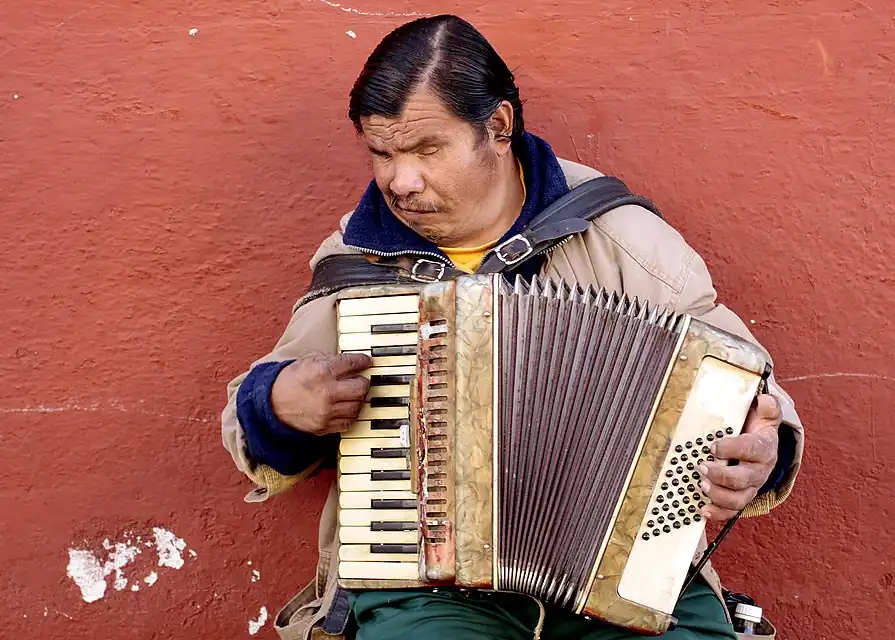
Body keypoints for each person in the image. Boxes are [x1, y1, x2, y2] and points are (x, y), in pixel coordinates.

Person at [221, 14, 803, 640]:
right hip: (424, 584)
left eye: (426, 149)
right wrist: (281, 406)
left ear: (497, 127)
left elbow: (746, 385)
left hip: (622, 572)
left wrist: (761, 454)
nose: (399, 181)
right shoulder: (358, 259)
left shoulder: (620, 238)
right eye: (381, 153)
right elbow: (254, 414)